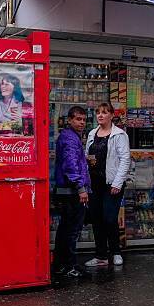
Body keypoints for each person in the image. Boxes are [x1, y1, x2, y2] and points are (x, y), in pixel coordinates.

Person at [84, 103, 131, 267]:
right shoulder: (92, 133)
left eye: (104, 113)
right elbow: (87, 155)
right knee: (96, 219)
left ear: (112, 115)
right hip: (94, 183)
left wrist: (118, 182)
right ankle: (101, 256)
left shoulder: (119, 134)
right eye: (98, 113)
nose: (100, 115)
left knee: (109, 218)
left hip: (112, 183)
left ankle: (116, 252)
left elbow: (125, 160)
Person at [53, 106, 91, 277]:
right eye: (78, 119)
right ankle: (70, 266)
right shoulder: (70, 139)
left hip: (68, 190)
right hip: (71, 192)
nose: (81, 123)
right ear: (69, 120)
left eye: (84, 119)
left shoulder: (71, 137)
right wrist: (81, 188)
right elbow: (70, 166)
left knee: (65, 229)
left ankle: (61, 264)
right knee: (71, 230)